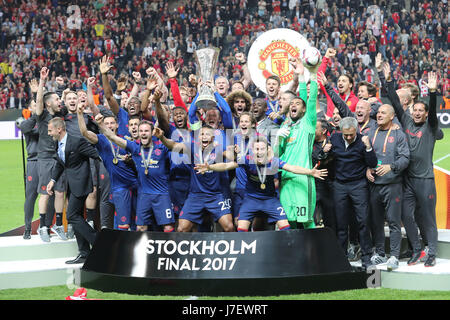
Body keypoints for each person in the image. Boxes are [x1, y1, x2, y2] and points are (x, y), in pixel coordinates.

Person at [195, 135, 327, 232]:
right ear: (252, 150)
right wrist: (210, 167)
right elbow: (226, 165)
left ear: (267, 150)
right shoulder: (247, 159)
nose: (259, 152)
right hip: (250, 200)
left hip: (270, 200)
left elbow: (292, 168)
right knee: (241, 229)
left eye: (262, 149)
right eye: (256, 149)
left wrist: (310, 172)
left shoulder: (274, 161)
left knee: (285, 228)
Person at [381, 63, 440, 267]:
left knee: (428, 218)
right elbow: (396, 103)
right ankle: (416, 250)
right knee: (407, 215)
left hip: (425, 180)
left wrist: (432, 92)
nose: (416, 113)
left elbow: (433, 114)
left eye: (420, 111)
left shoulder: (430, 127)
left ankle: (431, 252)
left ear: (425, 114)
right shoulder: (405, 121)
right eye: (414, 110)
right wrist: (388, 79)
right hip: (408, 181)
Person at [97, 113, 175, 232]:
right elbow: (113, 137)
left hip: (162, 194)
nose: (143, 133)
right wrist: (101, 124)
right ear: (138, 133)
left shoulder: (161, 147)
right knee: (140, 227)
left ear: (152, 132)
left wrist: (162, 138)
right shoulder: (135, 148)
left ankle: (168, 251)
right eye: (141, 131)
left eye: (146, 131)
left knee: (168, 227)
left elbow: (176, 146)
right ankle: (142, 250)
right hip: (144, 195)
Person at [156, 125, 235, 233]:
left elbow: (232, 157)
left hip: (215, 196)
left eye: (207, 134)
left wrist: (235, 153)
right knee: (181, 229)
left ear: (212, 138)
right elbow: (173, 145)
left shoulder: (218, 150)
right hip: (195, 196)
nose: (204, 136)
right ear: (198, 137)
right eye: (202, 134)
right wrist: (162, 138)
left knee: (229, 227)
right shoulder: (192, 148)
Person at [46, 117, 100, 264]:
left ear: (59, 129)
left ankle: (98, 243)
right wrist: (52, 180)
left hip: (81, 184)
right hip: (71, 185)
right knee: (75, 217)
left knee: (71, 215)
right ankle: (84, 253)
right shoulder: (58, 143)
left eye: (50, 130)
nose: (49, 133)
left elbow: (95, 154)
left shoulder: (77, 141)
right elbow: (60, 163)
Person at [77, 105, 139, 231]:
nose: (110, 125)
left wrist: (131, 160)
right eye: (106, 123)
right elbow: (84, 132)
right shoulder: (100, 140)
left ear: (117, 125)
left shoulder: (125, 139)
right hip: (120, 187)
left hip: (137, 184)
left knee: (137, 222)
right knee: (123, 224)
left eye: (112, 123)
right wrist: (79, 113)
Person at [328, 117, 377, 269]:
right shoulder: (334, 138)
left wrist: (368, 148)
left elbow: (372, 163)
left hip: (358, 185)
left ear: (356, 130)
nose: (349, 137)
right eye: (346, 135)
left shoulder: (363, 141)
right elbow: (328, 160)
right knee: (341, 225)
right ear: (340, 131)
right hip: (340, 185)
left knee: (363, 222)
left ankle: (366, 257)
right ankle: (342, 259)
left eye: (351, 134)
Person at [275, 61, 319, 229]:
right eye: (292, 103)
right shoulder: (284, 127)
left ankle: (314, 254)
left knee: (306, 221)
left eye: (298, 104)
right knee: (289, 222)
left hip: (303, 178)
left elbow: (311, 97)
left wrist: (305, 75)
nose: (294, 105)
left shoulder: (308, 123)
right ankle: (292, 255)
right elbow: (276, 155)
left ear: (304, 110)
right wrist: (278, 139)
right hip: (286, 180)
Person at [366, 104, 410, 270]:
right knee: (376, 221)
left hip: (392, 185)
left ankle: (394, 255)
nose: (379, 115)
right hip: (374, 185)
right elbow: (367, 155)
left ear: (392, 116)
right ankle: (380, 253)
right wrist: (367, 169)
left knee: (393, 221)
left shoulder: (399, 134)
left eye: (383, 113)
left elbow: (406, 158)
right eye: (378, 113)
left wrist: (391, 167)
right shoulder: (371, 132)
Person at [35, 67, 67, 242]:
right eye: (56, 99)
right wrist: (42, 81)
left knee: (60, 192)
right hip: (46, 158)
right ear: (48, 103)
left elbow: (63, 100)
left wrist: (61, 88)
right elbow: (40, 100)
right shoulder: (43, 115)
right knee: (46, 193)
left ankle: (59, 225)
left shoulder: (60, 115)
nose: (59, 100)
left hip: (59, 158)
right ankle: (42, 226)